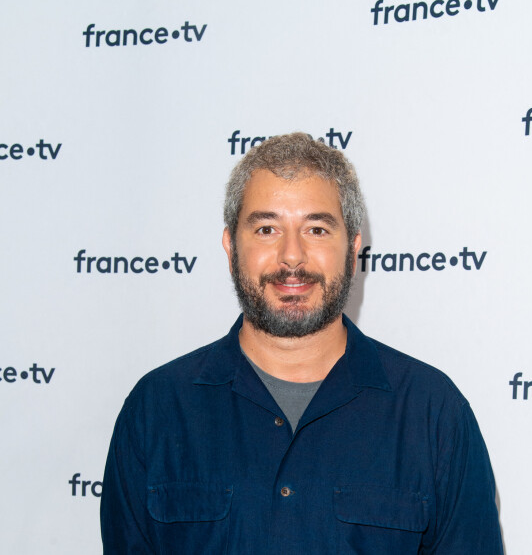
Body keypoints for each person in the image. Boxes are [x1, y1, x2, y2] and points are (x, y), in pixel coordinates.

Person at [101, 132, 504, 554]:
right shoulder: (157, 409)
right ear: (230, 246)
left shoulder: (433, 413)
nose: (291, 257)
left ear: (352, 248)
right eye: (266, 228)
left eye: (315, 229)